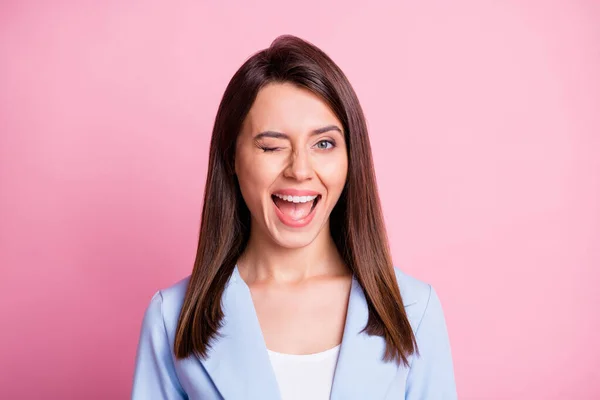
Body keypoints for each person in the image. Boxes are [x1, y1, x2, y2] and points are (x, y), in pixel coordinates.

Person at [131, 34, 457, 400]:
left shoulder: (414, 310)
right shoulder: (171, 318)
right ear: (232, 158)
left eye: (324, 144)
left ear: (351, 158)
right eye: (271, 146)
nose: (300, 170)